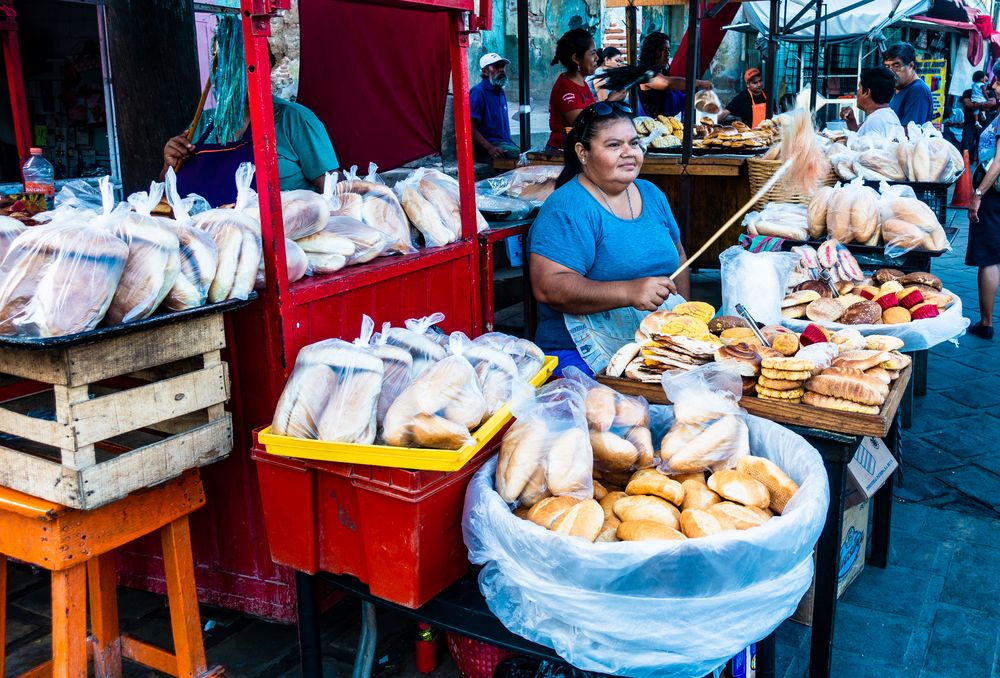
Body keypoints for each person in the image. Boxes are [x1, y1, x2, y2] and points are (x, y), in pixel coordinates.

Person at [529, 102, 690, 371]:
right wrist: (629, 291)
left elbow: (680, 256)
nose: (629, 153)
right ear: (582, 152)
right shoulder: (568, 207)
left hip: (656, 343)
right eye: (614, 145)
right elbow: (548, 286)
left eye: (634, 143)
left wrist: (685, 320)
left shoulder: (651, 194)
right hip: (576, 352)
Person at [163, 49, 337, 206]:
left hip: (280, 236)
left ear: (264, 67)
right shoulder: (204, 121)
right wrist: (169, 163)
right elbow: (167, 190)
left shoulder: (294, 119)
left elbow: (333, 191)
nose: (228, 75)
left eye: (236, 65)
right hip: (203, 235)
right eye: (222, 66)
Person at [965, 67, 1000, 340]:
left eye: (999, 82)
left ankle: (986, 322)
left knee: (989, 257)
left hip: (994, 195)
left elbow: (998, 162)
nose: (995, 87)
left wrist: (978, 194)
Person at [546, 29, 615, 152]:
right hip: (561, 152)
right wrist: (609, 101)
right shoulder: (565, 87)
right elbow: (582, 123)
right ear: (576, 58)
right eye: (592, 53)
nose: (597, 58)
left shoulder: (582, 83)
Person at [636, 32, 712, 119]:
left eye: (668, 49)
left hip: (670, 127)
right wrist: (699, 83)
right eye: (662, 49)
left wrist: (700, 98)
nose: (667, 53)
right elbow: (667, 83)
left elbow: (680, 100)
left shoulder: (664, 73)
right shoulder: (644, 73)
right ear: (652, 51)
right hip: (652, 129)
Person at [469, 53, 520, 161]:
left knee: (530, 154)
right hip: (487, 148)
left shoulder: (499, 91)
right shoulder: (478, 92)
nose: (501, 69)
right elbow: (469, 126)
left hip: (503, 143)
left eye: (502, 66)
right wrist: (490, 148)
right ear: (485, 71)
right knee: (522, 157)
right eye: (496, 66)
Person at [840, 67, 905, 139]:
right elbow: (859, 143)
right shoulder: (888, 116)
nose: (857, 92)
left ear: (867, 92)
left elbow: (863, 149)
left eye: (859, 88)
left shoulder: (875, 121)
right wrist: (851, 122)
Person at [883, 42, 934, 127]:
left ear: (911, 66)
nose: (890, 72)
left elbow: (910, 132)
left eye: (896, 66)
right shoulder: (896, 89)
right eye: (887, 67)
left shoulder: (918, 90)